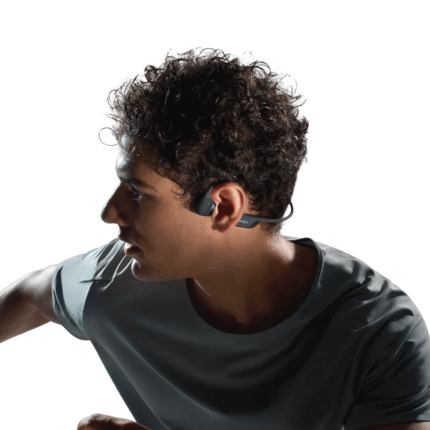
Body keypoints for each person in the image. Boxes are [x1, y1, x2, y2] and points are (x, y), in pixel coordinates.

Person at [1, 48, 430, 430]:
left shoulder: (378, 333)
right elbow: (33, 295)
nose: (110, 212)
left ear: (224, 207)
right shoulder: (111, 282)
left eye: (138, 192)